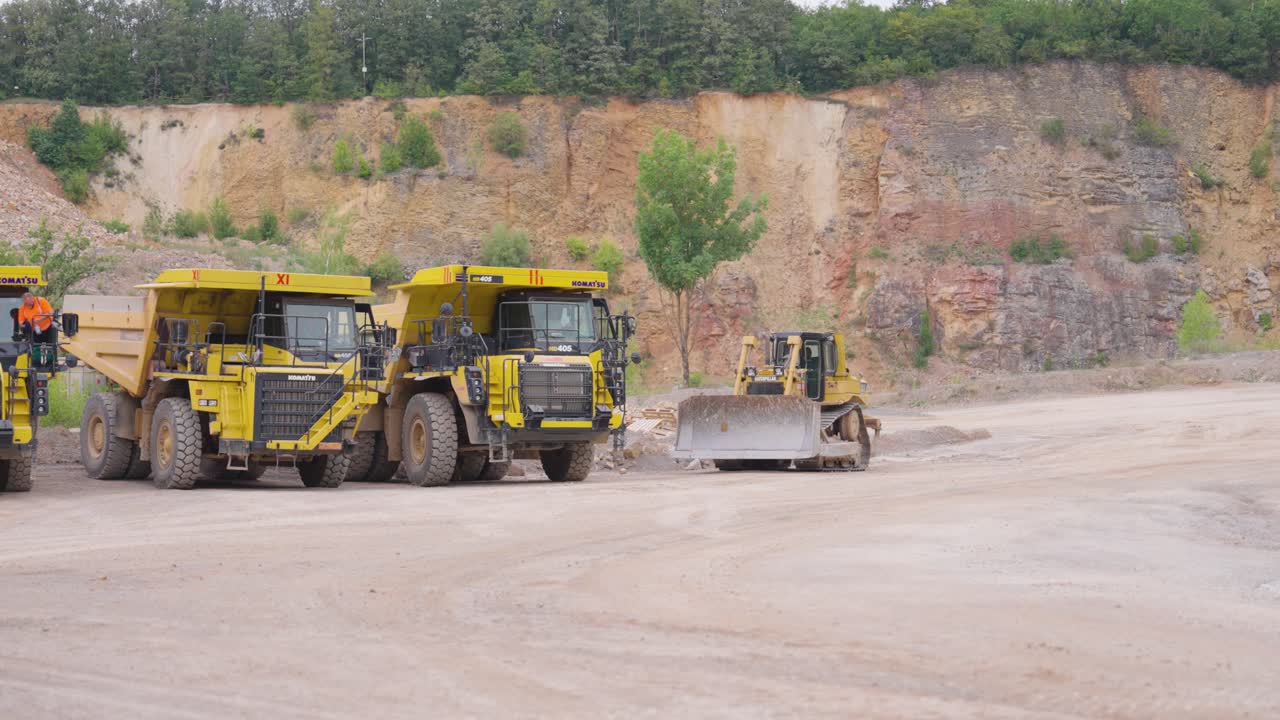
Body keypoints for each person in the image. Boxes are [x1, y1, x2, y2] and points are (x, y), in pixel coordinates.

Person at [17, 292, 54, 365]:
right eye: (26, 304)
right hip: (35, 331)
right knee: (36, 347)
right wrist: (25, 325)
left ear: (32, 299)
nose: (28, 306)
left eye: (29, 304)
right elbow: (20, 322)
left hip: (48, 328)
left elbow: (50, 312)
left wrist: (39, 320)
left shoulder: (41, 301)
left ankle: (49, 363)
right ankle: (37, 363)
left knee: (49, 347)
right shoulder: (22, 308)